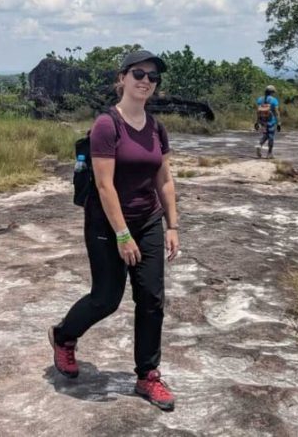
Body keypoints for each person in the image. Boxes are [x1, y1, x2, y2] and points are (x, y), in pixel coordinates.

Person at [49, 49, 181, 412]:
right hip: (108, 222)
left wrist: (172, 224)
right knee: (106, 298)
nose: (146, 81)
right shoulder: (108, 125)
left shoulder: (156, 127)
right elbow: (105, 187)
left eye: (153, 77)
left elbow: (164, 179)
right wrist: (122, 234)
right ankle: (63, 336)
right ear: (121, 78)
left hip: (149, 219)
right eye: (139, 73)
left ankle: (147, 375)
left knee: (152, 299)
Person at [254, 85, 281, 159]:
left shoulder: (260, 99)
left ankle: (259, 145)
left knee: (265, 134)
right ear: (272, 92)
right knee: (271, 136)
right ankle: (269, 153)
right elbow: (276, 112)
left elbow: (258, 111)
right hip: (271, 121)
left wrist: (257, 122)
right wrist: (278, 122)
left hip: (263, 121)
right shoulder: (274, 100)